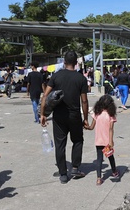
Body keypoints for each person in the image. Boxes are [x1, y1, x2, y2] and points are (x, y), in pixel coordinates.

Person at [40, 51, 89, 184]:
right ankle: (75, 168)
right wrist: (85, 119)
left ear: (64, 62)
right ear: (76, 63)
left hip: (59, 116)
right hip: (74, 115)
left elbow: (45, 95)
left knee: (60, 144)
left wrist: (42, 114)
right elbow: (84, 101)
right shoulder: (81, 78)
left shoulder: (56, 76)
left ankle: (63, 174)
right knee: (77, 140)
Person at [85, 94, 119, 185]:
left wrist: (86, 127)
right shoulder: (111, 115)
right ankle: (114, 172)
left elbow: (92, 127)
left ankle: (99, 178)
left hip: (98, 141)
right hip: (107, 141)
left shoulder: (97, 114)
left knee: (99, 159)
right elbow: (111, 129)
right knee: (110, 157)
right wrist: (111, 141)